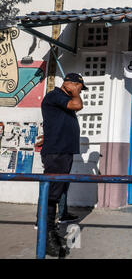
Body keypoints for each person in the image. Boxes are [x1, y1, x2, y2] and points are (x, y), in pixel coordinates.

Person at [39, 73, 87, 256]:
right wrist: (74, 93)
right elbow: (78, 105)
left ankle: (51, 231)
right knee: (51, 195)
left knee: (56, 194)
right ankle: (46, 235)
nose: (80, 91)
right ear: (70, 84)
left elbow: (56, 122)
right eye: (79, 87)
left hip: (62, 152)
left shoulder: (60, 100)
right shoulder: (55, 95)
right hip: (57, 154)